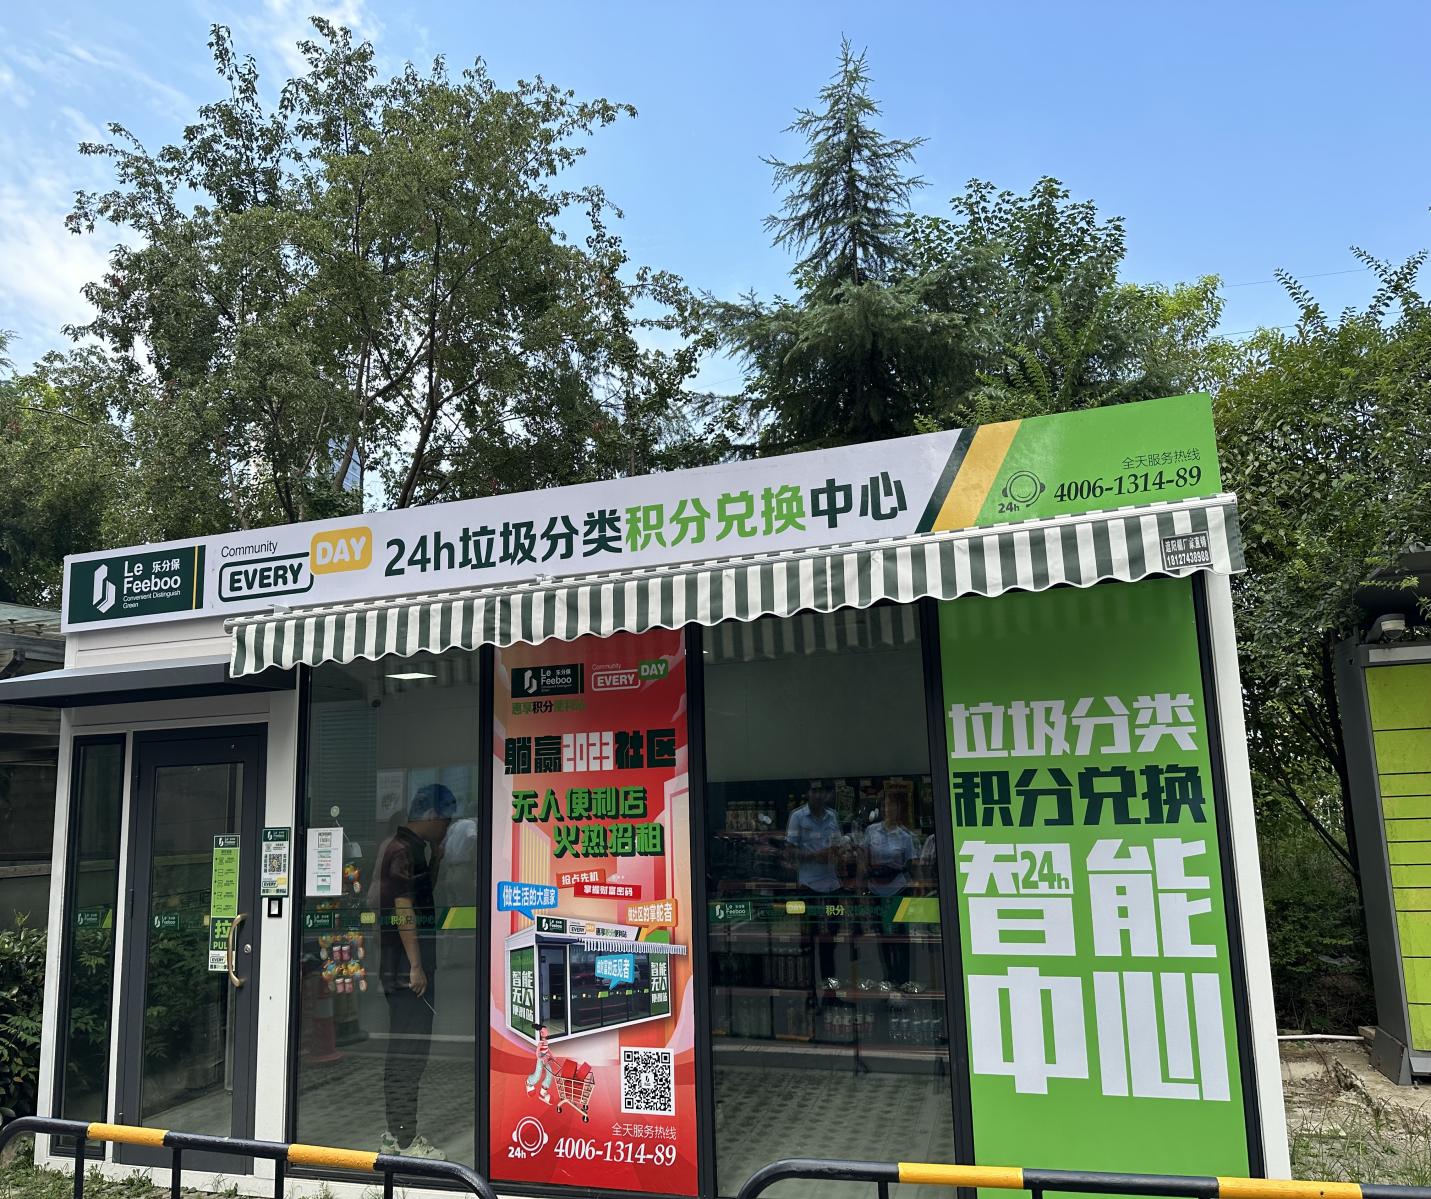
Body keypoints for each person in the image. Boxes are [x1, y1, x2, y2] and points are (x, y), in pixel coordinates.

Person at [377, 783, 456, 1159]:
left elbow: (422, 896)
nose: (448, 826)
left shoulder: (412, 848)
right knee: (408, 1052)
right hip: (404, 970)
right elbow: (404, 909)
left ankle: (395, 1135)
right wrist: (415, 965)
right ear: (432, 815)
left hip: (402, 967)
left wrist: (437, 860)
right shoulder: (402, 850)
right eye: (447, 819)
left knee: (407, 1050)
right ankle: (404, 1139)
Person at [785, 780, 844, 988]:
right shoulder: (797, 817)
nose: (818, 795)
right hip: (808, 887)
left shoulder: (832, 816)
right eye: (814, 791)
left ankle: (830, 992)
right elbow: (790, 852)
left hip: (831, 886)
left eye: (822, 791)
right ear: (808, 793)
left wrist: (836, 852)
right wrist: (814, 856)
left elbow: (838, 844)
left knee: (830, 942)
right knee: (808, 941)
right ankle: (809, 993)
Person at [862, 793, 918, 987]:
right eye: (886, 806)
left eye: (893, 806)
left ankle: (903, 979)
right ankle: (888, 978)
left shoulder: (905, 836)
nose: (889, 810)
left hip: (898, 889)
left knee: (901, 936)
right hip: (876, 890)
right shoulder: (871, 831)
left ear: (899, 810)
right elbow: (863, 860)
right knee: (882, 937)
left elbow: (911, 865)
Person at [525, 1023, 557, 1104]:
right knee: (538, 1074)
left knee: (550, 1073)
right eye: (545, 1031)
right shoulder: (541, 1042)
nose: (547, 1032)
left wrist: (552, 1056)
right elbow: (537, 1051)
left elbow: (548, 1049)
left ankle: (543, 1091)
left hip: (545, 1058)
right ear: (541, 1033)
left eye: (547, 1031)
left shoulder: (546, 1041)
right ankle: (529, 1082)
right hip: (541, 1058)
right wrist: (540, 1058)